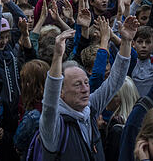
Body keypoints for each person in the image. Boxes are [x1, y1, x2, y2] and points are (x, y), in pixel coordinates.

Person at [39, 15, 138, 160]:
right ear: (61, 92)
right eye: (77, 84)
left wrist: (126, 42)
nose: (85, 89)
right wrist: (57, 57)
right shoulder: (54, 124)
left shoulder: (90, 108)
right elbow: (49, 105)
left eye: (86, 82)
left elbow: (115, 81)